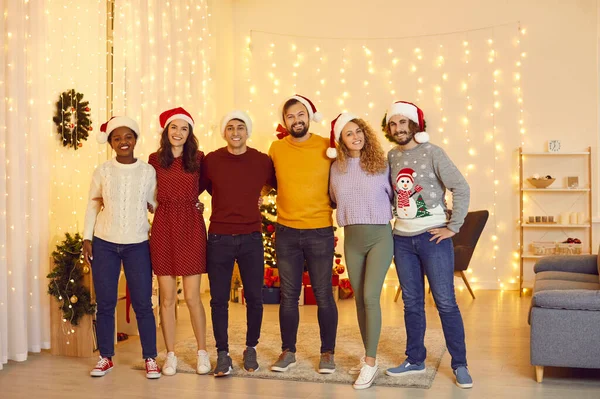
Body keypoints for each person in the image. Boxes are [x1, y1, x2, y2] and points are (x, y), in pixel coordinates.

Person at [383, 101, 473, 389]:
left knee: (445, 302)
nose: (398, 128)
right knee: (412, 303)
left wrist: (453, 227)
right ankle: (415, 359)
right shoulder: (391, 157)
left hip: (432, 239)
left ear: (414, 125)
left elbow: (461, 186)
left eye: (403, 122)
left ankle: (460, 364)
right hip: (402, 239)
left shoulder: (433, 152)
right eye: (393, 124)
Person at [83, 116, 161, 379]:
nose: (123, 142)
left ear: (135, 139)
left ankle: (150, 357)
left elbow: (155, 203)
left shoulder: (148, 171)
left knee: (143, 304)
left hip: (138, 245)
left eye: (128, 137)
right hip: (104, 243)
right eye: (117, 138)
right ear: (111, 143)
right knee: (105, 303)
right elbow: (93, 205)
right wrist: (87, 238)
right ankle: (106, 357)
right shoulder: (102, 171)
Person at [200, 110, 274, 377]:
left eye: (240, 127)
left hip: (251, 237)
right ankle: (222, 353)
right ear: (224, 132)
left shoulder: (262, 161)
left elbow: (277, 184)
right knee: (218, 300)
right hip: (219, 237)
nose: (235, 132)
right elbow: (201, 187)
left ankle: (250, 347)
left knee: (255, 297)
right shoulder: (211, 160)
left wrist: (260, 196)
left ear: (247, 131)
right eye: (230, 127)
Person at [268, 95, 338, 374]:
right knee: (289, 295)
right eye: (290, 117)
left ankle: (328, 353)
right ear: (284, 122)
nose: (296, 120)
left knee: (323, 294)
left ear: (309, 116)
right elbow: (267, 183)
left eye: (300, 115)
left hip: (320, 230)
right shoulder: (275, 148)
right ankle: (288, 351)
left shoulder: (326, 147)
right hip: (286, 231)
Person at [328, 113, 393, 390]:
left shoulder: (382, 164)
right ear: (341, 140)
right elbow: (332, 198)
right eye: (349, 133)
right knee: (358, 300)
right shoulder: (335, 168)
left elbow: (397, 195)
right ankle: (371, 358)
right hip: (351, 238)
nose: (356, 137)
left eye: (359, 131)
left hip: (380, 236)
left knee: (370, 297)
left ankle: (369, 361)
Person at [148, 107, 211, 376]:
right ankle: (170, 354)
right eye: (174, 127)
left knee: (194, 297)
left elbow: (217, 186)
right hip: (164, 226)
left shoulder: (199, 159)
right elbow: (147, 190)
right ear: (166, 130)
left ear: (190, 133)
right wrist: (150, 205)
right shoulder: (153, 159)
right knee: (166, 298)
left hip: (190, 225)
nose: (178, 133)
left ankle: (202, 352)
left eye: (184, 129)